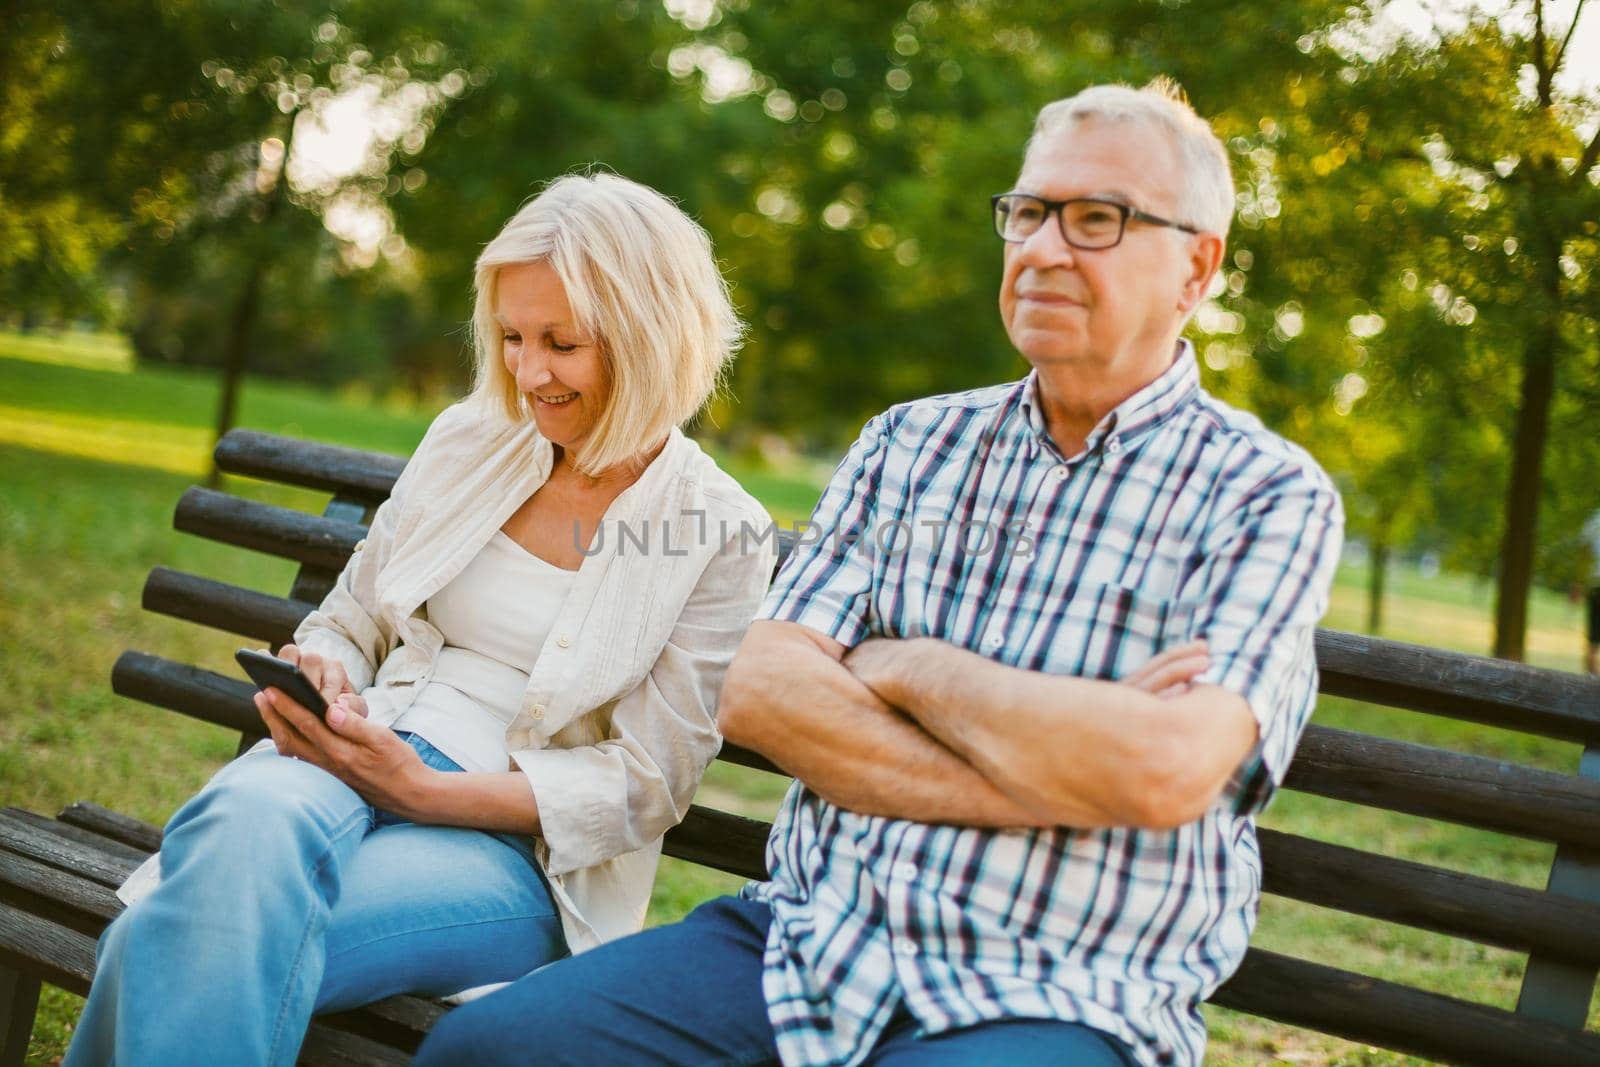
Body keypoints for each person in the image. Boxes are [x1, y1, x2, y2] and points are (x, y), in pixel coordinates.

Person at [415, 79, 1344, 1067]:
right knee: (490, 1050)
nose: (1039, 247)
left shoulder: (1264, 493)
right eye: (1026, 212)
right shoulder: (911, 443)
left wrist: (903, 669)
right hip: (808, 943)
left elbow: (1160, 768)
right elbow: (764, 689)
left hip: (1061, 991)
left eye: (1096, 220)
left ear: (1196, 266)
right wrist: (1071, 748)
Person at [65, 172, 776, 1067]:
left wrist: (422, 792)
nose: (526, 371)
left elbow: (643, 784)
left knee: (165, 937)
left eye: (562, 342)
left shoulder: (719, 529)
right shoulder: (467, 440)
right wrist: (321, 668)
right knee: (238, 835)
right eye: (513, 337)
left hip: (513, 853)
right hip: (357, 749)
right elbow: (351, 618)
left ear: (650, 338)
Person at [1584, 509, 1600, 674]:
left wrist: (1578, 583)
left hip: (1595, 584)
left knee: (1593, 639)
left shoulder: (1594, 519)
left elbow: (1584, 554)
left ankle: (1591, 678)